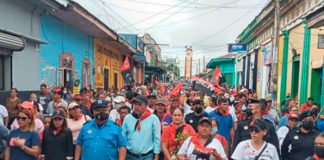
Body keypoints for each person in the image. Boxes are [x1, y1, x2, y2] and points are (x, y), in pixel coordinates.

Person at [122, 95, 161, 160]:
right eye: (135, 104)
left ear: (146, 105)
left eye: (140, 105)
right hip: (129, 155)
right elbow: (123, 136)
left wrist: (156, 155)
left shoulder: (153, 119)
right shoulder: (127, 118)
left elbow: (157, 138)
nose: (137, 107)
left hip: (147, 156)